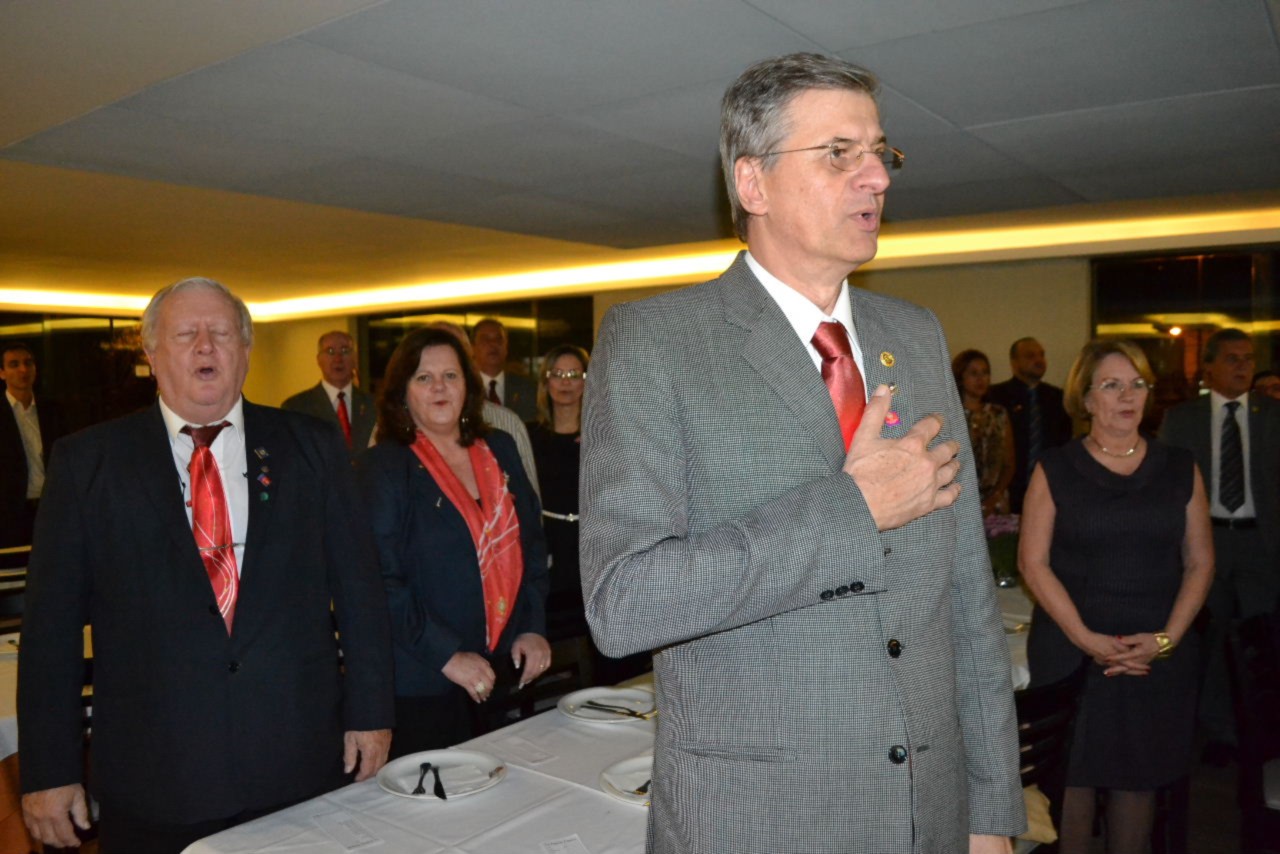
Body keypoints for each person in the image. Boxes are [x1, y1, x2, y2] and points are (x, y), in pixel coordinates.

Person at [580, 53, 1024, 853]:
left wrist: (991, 809)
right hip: (764, 818)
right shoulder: (655, 342)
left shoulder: (914, 335)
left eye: (879, 153)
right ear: (753, 184)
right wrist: (853, 510)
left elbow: (966, 596)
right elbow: (624, 602)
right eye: (838, 153)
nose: (876, 177)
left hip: (929, 812)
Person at [17, 278, 394, 853]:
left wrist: (372, 711)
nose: (205, 346)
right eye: (185, 334)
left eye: (220, 332)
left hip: (298, 762)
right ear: (151, 353)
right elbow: (51, 630)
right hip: (155, 779)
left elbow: (360, 589)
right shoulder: (87, 463)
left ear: (245, 350)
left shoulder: (311, 446)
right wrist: (48, 769)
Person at [1020, 339, 1213, 854]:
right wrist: (1087, 639)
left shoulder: (1180, 466)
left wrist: (1166, 640)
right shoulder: (1055, 468)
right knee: (1072, 788)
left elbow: (1200, 562)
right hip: (1072, 654)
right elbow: (1032, 563)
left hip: (1155, 655)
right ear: (1085, 399)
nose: (1128, 396)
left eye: (1137, 384)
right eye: (1111, 385)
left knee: (1138, 782)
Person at [356, 327, 550, 756]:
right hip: (426, 680)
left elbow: (533, 546)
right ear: (403, 392)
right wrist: (447, 655)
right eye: (424, 378)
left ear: (469, 385)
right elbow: (379, 581)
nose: (439, 387)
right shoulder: (384, 467)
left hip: (503, 668)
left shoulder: (500, 448)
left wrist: (533, 626)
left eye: (450, 375)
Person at [1160, 328, 1280, 758]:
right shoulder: (1183, 419)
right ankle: (1220, 732)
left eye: (1248, 358)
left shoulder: (1273, 415)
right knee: (1211, 639)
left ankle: (1263, 731)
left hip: (1259, 542)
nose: (1243, 366)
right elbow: (1166, 487)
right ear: (1208, 367)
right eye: (1232, 359)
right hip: (1204, 541)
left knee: (1261, 637)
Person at [424, 320, 540, 498]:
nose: (440, 384)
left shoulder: (507, 424)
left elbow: (529, 502)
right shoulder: (397, 432)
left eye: (450, 373)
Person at [529, 344, 591, 641]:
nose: (566, 382)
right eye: (558, 374)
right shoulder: (527, 435)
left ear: (587, 381)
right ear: (546, 381)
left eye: (574, 374)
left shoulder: (602, 435)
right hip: (546, 547)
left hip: (589, 547)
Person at [988, 337, 1074, 512]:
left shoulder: (1058, 398)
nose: (1039, 360)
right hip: (1006, 490)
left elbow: (1065, 446)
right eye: (1030, 356)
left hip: (1049, 488)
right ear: (1014, 362)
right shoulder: (996, 396)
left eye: (1041, 355)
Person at [0, 342, 63, 549]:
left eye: (28, 363)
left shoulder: (51, 410)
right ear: (2, 373)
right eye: (14, 364)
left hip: (50, 507)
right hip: (10, 514)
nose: (23, 370)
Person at [282, 330, 376, 458]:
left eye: (345, 351)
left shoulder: (374, 405)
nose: (338, 359)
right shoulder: (297, 407)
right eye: (330, 351)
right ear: (319, 360)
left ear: (355, 358)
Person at [952, 349, 1015, 516]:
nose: (981, 379)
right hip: (958, 499)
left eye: (985, 373)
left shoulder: (998, 414)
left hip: (994, 500)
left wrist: (996, 496)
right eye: (974, 373)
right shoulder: (951, 415)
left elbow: (1009, 463)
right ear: (960, 377)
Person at [471, 317, 537, 422]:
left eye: (498, 339)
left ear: (506, 347)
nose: (493, 344)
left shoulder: (528, 389)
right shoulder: (466, 388)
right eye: (485, 339)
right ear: (472, 348)